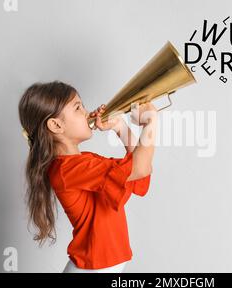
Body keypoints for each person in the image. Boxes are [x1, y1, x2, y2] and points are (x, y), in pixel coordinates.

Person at [18, 81, 157, 273]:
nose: (87, 112)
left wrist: (120, 128)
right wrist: (151, 122)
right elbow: (139, 167)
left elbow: (136, 169)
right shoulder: (68, 169)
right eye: (77, 108)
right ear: (56, 125)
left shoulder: (83, 161)